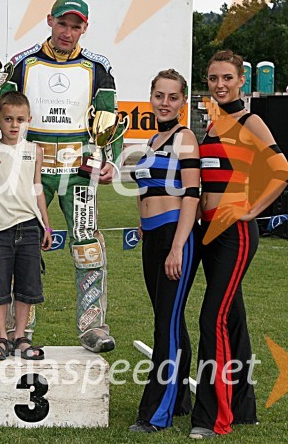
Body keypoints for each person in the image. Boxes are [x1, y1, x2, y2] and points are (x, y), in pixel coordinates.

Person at [0, 0, 122, 353]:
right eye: (62, 23)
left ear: (85, 28)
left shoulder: (98, 67)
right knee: (15, 241)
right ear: (50, 21)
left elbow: (110, 118)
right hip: (28, 169)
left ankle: (93, 327)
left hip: (78, 170)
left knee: (87, 246)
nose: (67, 32)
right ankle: (17, 331)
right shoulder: (22, 63)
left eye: (75, 26)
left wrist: (111, 160)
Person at [190, 50, 288, 439]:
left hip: (234, 233)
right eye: (213, 78)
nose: (219, 85)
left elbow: (281, 171)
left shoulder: (251, 122)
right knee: (232, 319)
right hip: (208, 233)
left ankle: (211, 419)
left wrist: (252, 211)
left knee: (211, 319)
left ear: (241, 82)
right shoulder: (212, 125)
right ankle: (243, 408)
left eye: (227, 78)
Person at [128, 70, 200, 433]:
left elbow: (192, 195)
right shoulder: (154, 139)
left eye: (173, 97)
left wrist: (177, 247)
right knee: (168, 319)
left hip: (176, 237)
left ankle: (155, 415)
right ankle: (181, 398)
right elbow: (147, 188)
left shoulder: (184, 138)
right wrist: (142, 223)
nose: (165, 103)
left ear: (183, 102)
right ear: (151, 98)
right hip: (153, 237)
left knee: (165, 327)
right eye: (160, 96)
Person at [0, 92, 51, 361]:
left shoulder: (35, 151)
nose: (14, 125)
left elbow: (37, 188)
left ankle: (20, 336)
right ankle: (0, 337)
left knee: (28, 285)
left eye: (20, 119)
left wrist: (46, 225)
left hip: (30, 227)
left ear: (29, 120)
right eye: (8, 119)